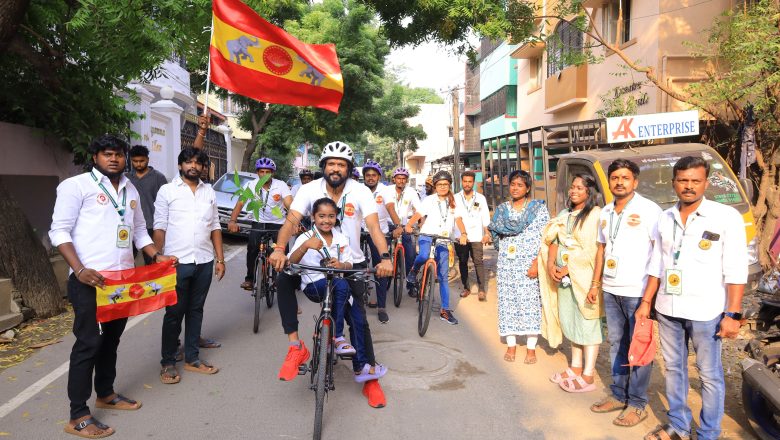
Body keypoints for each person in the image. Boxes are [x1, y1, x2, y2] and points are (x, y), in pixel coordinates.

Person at [49, 135, 176, 438]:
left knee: (112, 340)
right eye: (107, 154)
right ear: (95, 157)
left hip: (122, 282)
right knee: (88, 343)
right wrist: (79, 270)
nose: (114, 159)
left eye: (118, 154)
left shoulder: (130, 188)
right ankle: (78, 414)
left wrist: (156, 255)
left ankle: (105, 392)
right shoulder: (76, 186)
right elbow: (59, 231)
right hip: (90, 280)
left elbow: (139, 231)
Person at [268, 141, 393, 408]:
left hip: (349, 262)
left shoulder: (360, 190)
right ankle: (295, 347)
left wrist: (385, 257)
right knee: (283, 277)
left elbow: (373, 227)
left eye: (341, 164)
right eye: (331, 164)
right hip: (312, 262)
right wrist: (279, 249)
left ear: (348, 168)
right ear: (324, 166)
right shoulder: (309, 189)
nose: (336, 168)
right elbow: (291, 221)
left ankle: (368, 375)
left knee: (358, 319)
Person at [637, 156, 747, 440]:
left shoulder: (725, 217)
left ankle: (708, 432)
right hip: (668, 307)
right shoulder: (665, 218)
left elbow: (736, 268)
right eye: (683, 180)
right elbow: (657, 263)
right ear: (674, 183)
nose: (689, 186)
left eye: (695, 181)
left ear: (705, 183)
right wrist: (646, 302)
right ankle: (678, 425)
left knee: (708, 374)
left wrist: (732, 314)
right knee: (674, 368)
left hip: (706, 311)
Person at [589, 159, 661, 427]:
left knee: (639, 348)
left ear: (635, 181)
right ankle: (619, 395)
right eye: (615, 177)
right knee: (617, 344)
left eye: (625, 177)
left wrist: (648, 298)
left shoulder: (649, 210)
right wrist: (595, 284)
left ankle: (638, 403)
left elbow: (659, 255)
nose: (619, 182)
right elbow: (601, 249)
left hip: (638, 292)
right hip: (611, 289)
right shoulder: (606, 212)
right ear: (609, 181)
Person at [287, 198, 387, 382]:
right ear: (313, 217)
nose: (326, 220)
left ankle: (361, 367)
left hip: (338, 289)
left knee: (357, 316)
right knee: (341, 285)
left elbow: (349, 263)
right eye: (321, 216)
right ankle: (337, 337)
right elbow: (290, 261)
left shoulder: (341, 238)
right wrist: (305, 246)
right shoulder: (305, 237)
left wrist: (341, 265)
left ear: (336, 217)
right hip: (314, 286)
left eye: (331, 216)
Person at [153, 148, 225, 384]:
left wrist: (220, 259)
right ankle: (168, 362)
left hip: (204, 261)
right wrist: (157, 257)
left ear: (203, 167)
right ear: (180, 165)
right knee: (174, 313)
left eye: (198, 162)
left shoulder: (209, 192)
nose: (193, 166)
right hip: (176, 262)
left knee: (196, 310)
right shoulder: (167, 191)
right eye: (188, 162)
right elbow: (160, 226)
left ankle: (192, 358)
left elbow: (215, 226)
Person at [541, 174, 603, 393]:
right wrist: (551, 264)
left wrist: (568, 267)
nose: (574, 191)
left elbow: (594, 249)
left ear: (589, 191)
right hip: (564, 280)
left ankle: (588, 375)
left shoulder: (595, 215)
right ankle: (575, 367)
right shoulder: (564, 214)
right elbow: (554, 241)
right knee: (571, 321)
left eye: (579, 188)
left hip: (584, 278)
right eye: (572, 187)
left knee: (588, 323)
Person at [489, 170, 549, 363]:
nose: (515, 188)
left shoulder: (537, 209)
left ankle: (531, 348)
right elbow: (495, 232)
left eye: (520, 185)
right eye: (513, 184)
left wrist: (536, 263)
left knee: (530, 304)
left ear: (528, 188)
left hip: (529, 265)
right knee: (507, 304)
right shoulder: (502, 210)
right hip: (507, 265)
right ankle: (511, 345)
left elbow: (545, 239)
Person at [405, 170, 468, 325]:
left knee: (443, 276)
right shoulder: (429, 200)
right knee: (423, 255)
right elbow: (419, 214)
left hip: (444, 240)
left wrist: (463, 233)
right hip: (427, 235)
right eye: (439, 184)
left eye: (445, 184)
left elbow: (458, 219)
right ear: (435, 186)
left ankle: (445, 310)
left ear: (449, 185)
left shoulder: (455, 202)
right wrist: (409, 224)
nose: (442, 187)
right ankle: (414, 270)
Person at [228, 157, 292, 290]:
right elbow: (240, 204)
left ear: (272, 173)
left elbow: (289, 204)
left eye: (267, 172)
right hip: (259, 222)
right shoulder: (251, 185)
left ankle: (281, 279)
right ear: (257, 172)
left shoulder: (281, 185)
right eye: (261, 171)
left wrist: (294, 222)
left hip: (278, 224)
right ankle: (250, 279)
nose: (264, 174)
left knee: (282, 250)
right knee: (252, 248)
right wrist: (232, 221)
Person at [453, 170, 492, 301]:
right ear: (461, 182)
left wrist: (486, 233)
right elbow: (455, 217)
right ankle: (466, 288)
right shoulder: (455, 198)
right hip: (460, 236)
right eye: (465, 181)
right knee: (463, 261)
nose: (467, 184)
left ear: (473, 182)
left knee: (478, 261)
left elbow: (485, 216)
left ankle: (481, 289)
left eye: (470, 182)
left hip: (476, 236)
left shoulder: (480, 198)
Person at [361, 160, 392, 323]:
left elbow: (391, 207)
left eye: (374, 175)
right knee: (354, 266)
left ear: (379, 177)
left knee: (381, 267)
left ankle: (381, 307)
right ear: (364, 177)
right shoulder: (358, 190)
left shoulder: (385, 191)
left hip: (379, 232)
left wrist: (398, 225)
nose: (370, 178)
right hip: (360, 230)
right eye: (368, 175)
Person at [126, 145, 168, 264]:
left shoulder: (158, 177)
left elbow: (165, 203)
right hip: (129, 224)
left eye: (142, 161)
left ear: (148, 159)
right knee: (126, 258)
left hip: (151, 225)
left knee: (152, 259)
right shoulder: (126, 178)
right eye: (135, 161)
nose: (138, 164)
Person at [384, 167, 421, 296]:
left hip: (405, 226)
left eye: (403, 178)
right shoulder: (387, 190)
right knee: (382, 252)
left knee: (411, 254)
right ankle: (383, 280)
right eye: (398, 178)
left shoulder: (411, 192)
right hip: (388, 225)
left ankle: (411, 285)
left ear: (407, 180)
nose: (401, 180)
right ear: (394, 179)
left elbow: (419, 209)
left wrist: (419, 222)